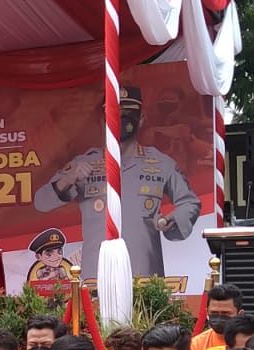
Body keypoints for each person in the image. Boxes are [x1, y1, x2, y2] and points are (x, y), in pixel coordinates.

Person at [34, 85, 201, 280]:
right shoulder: (84, 163)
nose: (121, 120)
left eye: (128, 114)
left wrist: (170, 220)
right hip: (97, 275)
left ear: (141, 119)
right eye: (115, 114)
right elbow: (41, 202)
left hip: (144, 274)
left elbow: (190, 202)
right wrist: (68, 179)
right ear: (103, 120)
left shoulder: (160, 163)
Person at [187, 284, 243, 350]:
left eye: (226, 313)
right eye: (214, 313)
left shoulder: (252, 342)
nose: (219, 318)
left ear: (240, 314)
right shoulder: (196, 344)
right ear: (207, 312)